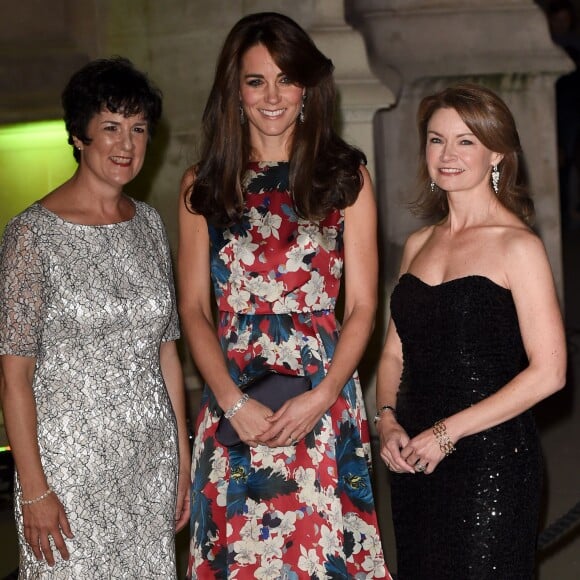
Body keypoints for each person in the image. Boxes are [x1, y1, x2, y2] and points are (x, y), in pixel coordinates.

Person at [178, 12, 389, 579]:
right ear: (235, 91)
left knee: (320, 559)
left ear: (307, 87)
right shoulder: (204, 184)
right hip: (234, 401)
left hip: (323, 397)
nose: (272, 96)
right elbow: (194, 309)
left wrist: (322, 397)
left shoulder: (346, 178)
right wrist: (232, 402)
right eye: (255, 81)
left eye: (285, 79)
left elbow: (364, 305)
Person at [0, 56, 190, 577]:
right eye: (110, 127)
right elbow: (14, 378)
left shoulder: (149, 224)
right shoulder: (29, 236)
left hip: (149, 465)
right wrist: (34, 490)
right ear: (79, 136)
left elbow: (166, 352)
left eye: (138, 129)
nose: (126, 144)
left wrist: (182, 462)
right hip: (67, 474)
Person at [375, 83, 567, 579]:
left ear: (497, 153)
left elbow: (550, 372)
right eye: (436, 140)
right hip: (414, 458)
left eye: (466, 141)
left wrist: (447, 432)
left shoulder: (517, 246)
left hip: (492, 460)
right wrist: (388, 421)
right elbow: (394, 354)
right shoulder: (417, 243)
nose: (447, 154)